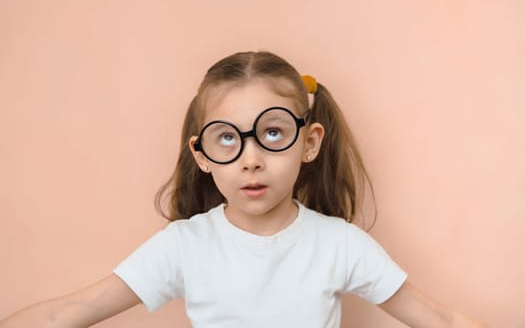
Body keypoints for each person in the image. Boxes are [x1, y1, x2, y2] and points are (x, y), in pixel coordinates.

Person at [0, 51, 488, 328]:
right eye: (228, 139)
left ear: (310, 142)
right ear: (203, 155)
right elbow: (71, 310)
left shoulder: (338, 244)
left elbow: (438, 318)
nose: (251, 158)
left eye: (272, 133)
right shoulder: (185, 246)